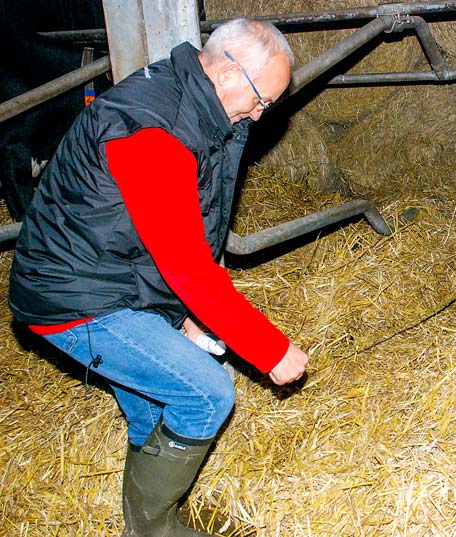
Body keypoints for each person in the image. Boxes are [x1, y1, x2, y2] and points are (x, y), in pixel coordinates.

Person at [8, 18, 308, 536]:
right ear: (230, 73)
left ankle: (150, 512)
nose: (261, 115)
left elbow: (191, 226)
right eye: (263, 100)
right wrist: (270, 349)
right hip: (74, 295)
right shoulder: (155, 132)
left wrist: (191, 316)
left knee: (156, 401)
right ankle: (151, 529)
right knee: (206, 393)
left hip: (110, 274)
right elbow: (186, 265)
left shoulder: (198, 105)